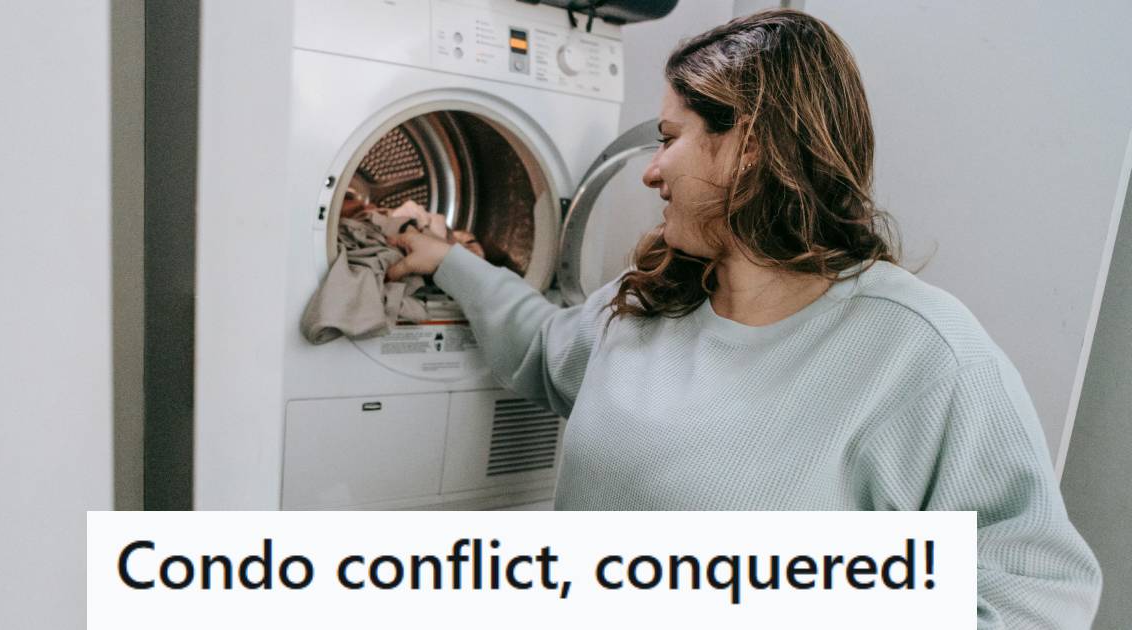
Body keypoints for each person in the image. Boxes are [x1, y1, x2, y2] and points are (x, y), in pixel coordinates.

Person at [385, 9, 1101, 627]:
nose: (650, 170)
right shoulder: (652, 300)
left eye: (670, 138)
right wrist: (449, 260)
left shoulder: (919, 351)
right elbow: (541, 348)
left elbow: (1036, 590)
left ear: (749, 145)